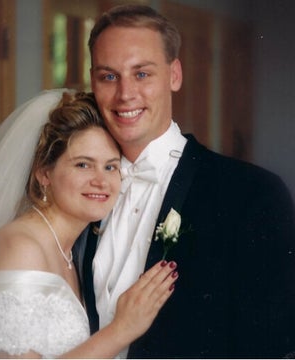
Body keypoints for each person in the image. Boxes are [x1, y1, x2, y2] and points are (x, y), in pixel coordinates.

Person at [83, 4, 295, 358]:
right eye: (108, 76)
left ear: (175, 75)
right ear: (92, 81)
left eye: (142, 74)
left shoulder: (252, 194)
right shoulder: (80, 191)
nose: (125, 95)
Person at [0, 90, 179, 358]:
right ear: (44, 173)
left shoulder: (71, 248)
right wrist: (122, 329)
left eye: (110, 167)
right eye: (83, 165)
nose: (101, 181)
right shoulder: (20, 249)